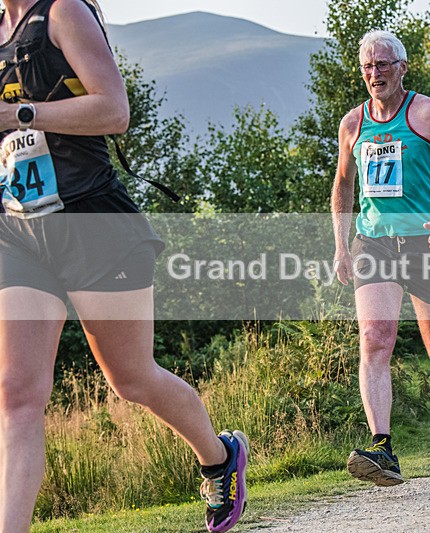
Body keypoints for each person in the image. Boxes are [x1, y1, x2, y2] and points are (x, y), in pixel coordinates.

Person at [0, 1, 247, 532]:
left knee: (131, 379)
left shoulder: (62, 13)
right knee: (17, 393)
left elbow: (114, 110)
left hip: (94, 224)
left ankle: (219, 458)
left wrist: (23, 114)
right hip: (19, 232)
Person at [332, 29, 430, 486]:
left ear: (402, 68)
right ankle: (382, 447)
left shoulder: (426, 112)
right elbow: (342, 185)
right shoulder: (353, 124)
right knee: (375, 338)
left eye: (383, 64)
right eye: (367, 66)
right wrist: (341, 245)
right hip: (373, 244)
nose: (374, 72)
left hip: (426, 244)